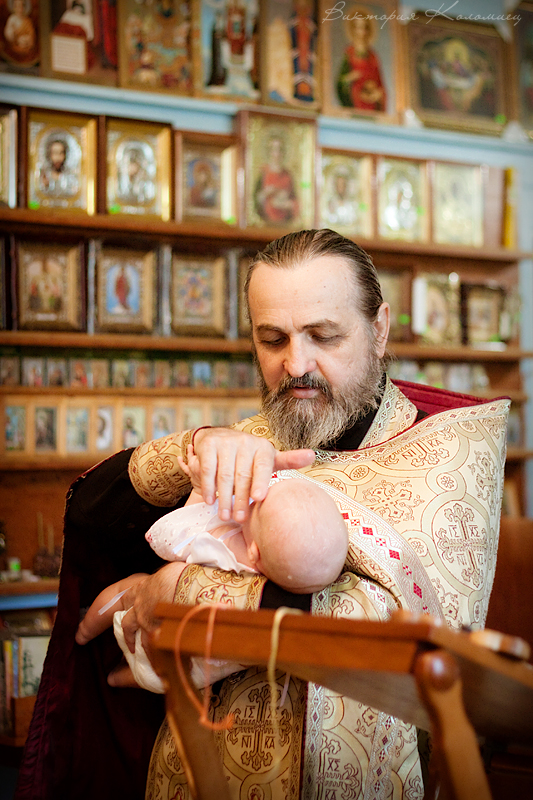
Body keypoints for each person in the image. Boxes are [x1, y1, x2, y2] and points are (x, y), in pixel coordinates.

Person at [16, 229, 509, 800]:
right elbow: (90, 516)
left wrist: (172, 590)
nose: (295, 364)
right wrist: (198, 444)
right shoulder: (251, 440)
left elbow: (389, 628)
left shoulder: (452, 450)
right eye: (272, 339)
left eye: (323, 336)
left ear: (379, 330)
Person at [78, 451, 349, 693]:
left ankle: (85, 631)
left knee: (130, 586)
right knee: (147, 678)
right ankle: (117, 678)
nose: (251, 503)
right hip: (192, 675)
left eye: (256, 506)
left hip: (154, 638)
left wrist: (199, 489)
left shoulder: (223, 545)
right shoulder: (284, 568)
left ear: (254, 553)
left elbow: (174, 536)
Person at [337, 11, 386, 112]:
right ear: (353, 29)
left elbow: (380, 84)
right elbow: (340, 82)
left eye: (364, 27)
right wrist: (350, 77)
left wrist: (378, 94)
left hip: (371, 103)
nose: (362, 32)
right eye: (358, 27)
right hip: (355, 100)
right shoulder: (349, 53)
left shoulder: (373, 56)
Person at [254, 134, 299, 224]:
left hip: (285, 222)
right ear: (269, 152)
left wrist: (287, 203)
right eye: (274, 149)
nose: (277, 154)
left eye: (280, 149)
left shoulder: (288, 175)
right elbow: (255, 200)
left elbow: (295, 201)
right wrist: (266, 193)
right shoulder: (263, 173)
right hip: (266, 221)